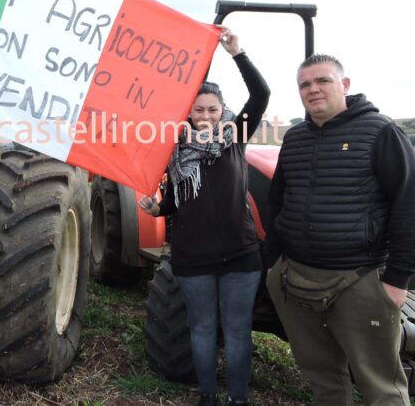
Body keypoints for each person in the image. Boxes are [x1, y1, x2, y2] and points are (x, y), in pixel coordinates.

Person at [263, 54, 415, 405]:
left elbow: (408, 205)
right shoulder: (295, 138)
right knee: (322, 375)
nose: (313, 89)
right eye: (305, 84)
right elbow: (277, 200)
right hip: (295, 275)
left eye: (323, 81)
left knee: (381, 384)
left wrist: (397, 279)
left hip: (358, 279)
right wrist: (273, 260)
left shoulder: (380, 131)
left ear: (344, 85)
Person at [140, 27, 270, 406]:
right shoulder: (175, 149)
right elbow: (176, 200)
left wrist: (237, 53)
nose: (206, 116)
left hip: (240, 256)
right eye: (198, 110)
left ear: (223, 110)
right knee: (200, 329)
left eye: (213, 109)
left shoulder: (235, 135)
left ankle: (239, 399)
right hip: (193, 257)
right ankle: (209, 396)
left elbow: (261, 95)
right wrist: (157, 208)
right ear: (188, 112)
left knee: (237, 330)